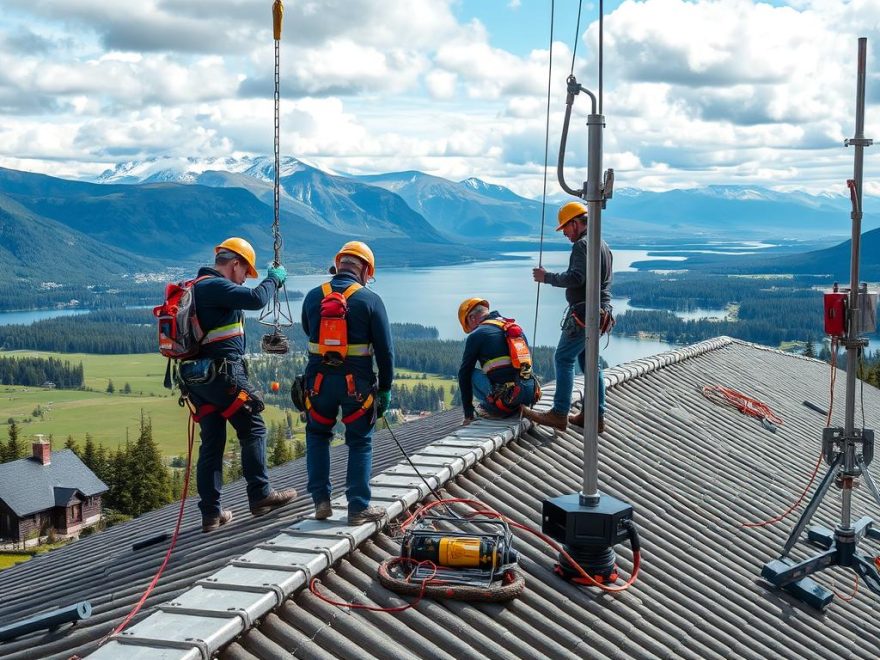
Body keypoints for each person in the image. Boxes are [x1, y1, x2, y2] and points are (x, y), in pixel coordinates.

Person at [181, 237, 297, 533]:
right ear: (235, 264)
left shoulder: (195, 288)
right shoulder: (214, 286)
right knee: (253, 428)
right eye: (246, 271)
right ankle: (260, 496)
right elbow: (256, 299)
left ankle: (211, 515)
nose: (246, 278)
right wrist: (274, 279)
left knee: (212, 443)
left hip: (199, 379)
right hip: (224, 375)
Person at [301, 241, 394, 525]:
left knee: (317, 436)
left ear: (339, 264)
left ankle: (321, 501)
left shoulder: (313, 296)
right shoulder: (370, 300)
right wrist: (386, 389)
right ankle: (357, 507)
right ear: (365, 269)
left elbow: (308, 329)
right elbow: (385, 351)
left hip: (317, 383)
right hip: (357, 386)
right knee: (360, 441)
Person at [521, 202, 613, 432]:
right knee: (590, 364)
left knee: (563, 358)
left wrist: (547, 277)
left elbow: (577, 278)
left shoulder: (583, 245)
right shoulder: (602, 245)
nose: (564, 233)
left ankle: (559, 413)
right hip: (600, 311)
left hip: (585, 313)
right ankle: (596, 415)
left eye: (565, 228)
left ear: (575, 223)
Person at [456, 298, 540, 423]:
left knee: (469, 374)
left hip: (507, 400)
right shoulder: (513, 328)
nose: (471, 330)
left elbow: (464, 375)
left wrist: (468, 414)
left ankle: (496, 409)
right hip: (530, 394)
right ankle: (517, 406)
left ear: (472, 318)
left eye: (469, 326)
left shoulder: (477, 335)